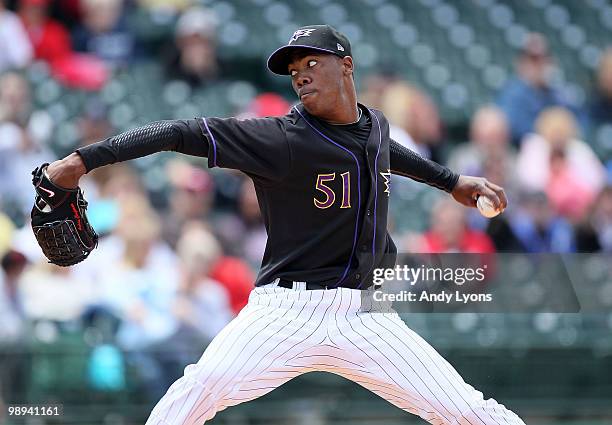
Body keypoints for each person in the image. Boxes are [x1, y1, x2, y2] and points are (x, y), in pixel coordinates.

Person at [43, 25, 520, 425]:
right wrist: (84, 159)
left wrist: (451, 181)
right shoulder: (279, 138)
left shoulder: (373, 124)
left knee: (466, 410)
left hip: (367, 315)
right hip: (286, 313)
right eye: (294, 71)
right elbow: (176, 132)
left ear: (346, 66)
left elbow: (384, 151)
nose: (301, 77)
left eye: (311, 64)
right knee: (198, 390)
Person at [497, 33, 573, 145]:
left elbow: (575, 121)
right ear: (521, 62)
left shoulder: (556, 93)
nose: (539, 65)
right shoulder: (513, 93)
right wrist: (546, 131)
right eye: (533, 59)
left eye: (543, 58)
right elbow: (513, 129)